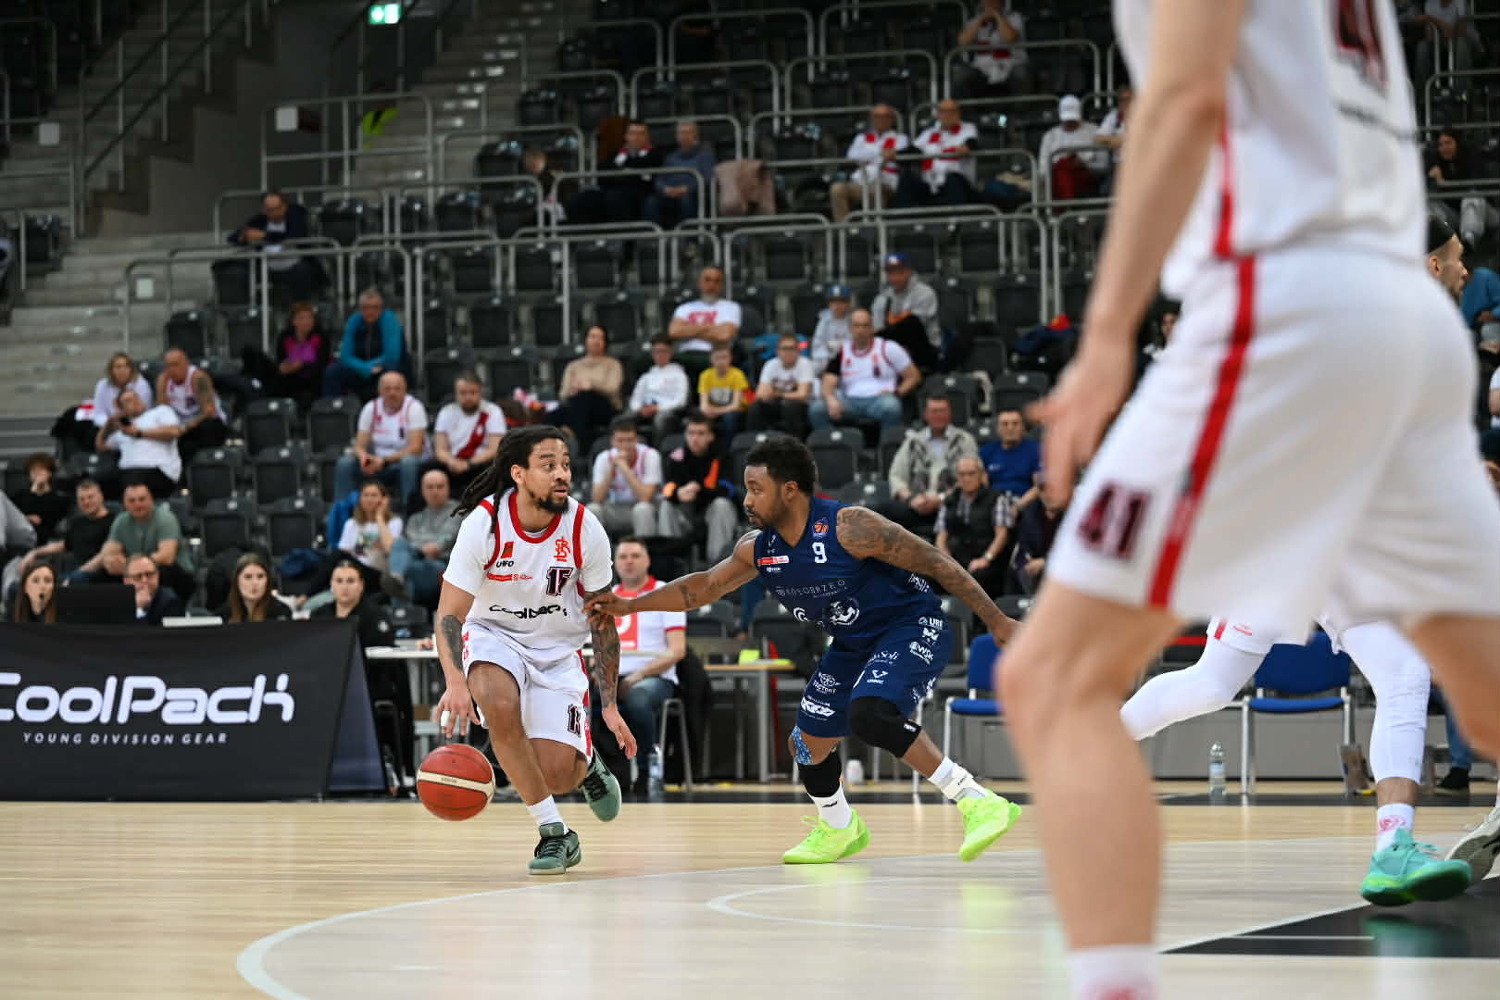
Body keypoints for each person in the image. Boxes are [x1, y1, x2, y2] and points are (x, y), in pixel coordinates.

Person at [995, 6, 1500, 998]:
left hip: (1285, 314)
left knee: (1052, 680)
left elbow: (1185, 98)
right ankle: (1388, 835)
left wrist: (1106, 337)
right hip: (1402, 330)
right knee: (1476, 684)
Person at [587, 436, 1021, 863]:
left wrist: (997, 620)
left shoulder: (851, 526)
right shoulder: (758, 548)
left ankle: (976, 800)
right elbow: (702, 587)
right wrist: (630, 605)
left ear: (790, 490)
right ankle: (839, 827)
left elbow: (937, 562)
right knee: (807, 744)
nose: (747, 501)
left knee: (870, 714)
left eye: (756, 489)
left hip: (909, 625)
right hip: (852, 642)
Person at [433, 425, 635, 875]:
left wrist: (609, 705)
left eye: (565, 465)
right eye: (548, 465)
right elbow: (449, 614)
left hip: (558, 651)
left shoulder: (584, 527)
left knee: (559, 775)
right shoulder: (484, 524)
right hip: (494, 634)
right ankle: (554, 833)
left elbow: (603, 622)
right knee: (497, 702)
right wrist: (455, 682)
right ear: (518, 473)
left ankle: (588, 764)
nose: (562, 474)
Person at [595, 536, 686, 793]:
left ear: (648, 561)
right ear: (614, 563)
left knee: (639, 697)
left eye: (635, 556)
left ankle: (647, 770)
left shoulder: (665, 593)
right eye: (623, 557)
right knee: (579, 696)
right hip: (612, 677)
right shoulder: (607, 597)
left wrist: (639, 674)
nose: (629, 562)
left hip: (654, 678)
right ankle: (595, 772)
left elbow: (677, 650)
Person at [810, 308, 920, 431]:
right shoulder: (843, 352)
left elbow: (913, 376)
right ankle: (836, 441)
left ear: (872, 328)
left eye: (865, 326)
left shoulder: (888, 348)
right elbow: (828, 381)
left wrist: (897, 393)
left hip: (880, 400)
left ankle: (889, 442)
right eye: (856, 326)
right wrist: (831, 399)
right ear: (850, 329)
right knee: (817, 409)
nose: (860, 330)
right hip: (850, 401)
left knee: (891, 407)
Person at [335, 371, 428, 510]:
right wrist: (364, 458)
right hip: (377, 461)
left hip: (400, 461)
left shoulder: (414, 408)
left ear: (405, 390)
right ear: (380, 391)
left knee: (408, 462)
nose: (392, 393)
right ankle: (341, 512)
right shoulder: (371, 408)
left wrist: (384, 461)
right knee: (345, 463)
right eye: (387, 389)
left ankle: (409, 511)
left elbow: (416, 448)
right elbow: (359, 446)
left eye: (397, 389)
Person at [884, 395, 978, 533]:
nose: (938, 415)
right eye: (934, 411)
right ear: (926, 415)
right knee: (881, 511)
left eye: (942, 411)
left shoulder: (964, 440)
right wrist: (911, 499)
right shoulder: (913, 441)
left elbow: (972, 475)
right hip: (916, 504)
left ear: (950, 413)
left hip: (951, 503)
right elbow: (896, 476)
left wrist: (941, 499)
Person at [658, 412, 739, 562]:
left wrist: (699, 489)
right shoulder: (676, 457)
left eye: (700, 433)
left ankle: (718, 564)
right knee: (666, 505)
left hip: (713, 512)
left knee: (722, 505)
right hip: (687, 512)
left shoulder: (722, 456)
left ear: (710, 436)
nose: (695, 438)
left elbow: (728, 489)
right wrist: (678, 493)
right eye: (691, 433)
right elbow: (667, 489)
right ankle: (670, 562)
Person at [96, 482, 195, 601]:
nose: (137, 504)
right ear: (125, 504)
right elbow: (108, 554)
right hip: (135, 570)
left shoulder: (165, 518)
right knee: (103, 574)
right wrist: (112, 562)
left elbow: (166, 557)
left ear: (151, 500)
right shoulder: (121, 521)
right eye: (132, 501)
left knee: (161, 571)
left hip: (175, 572)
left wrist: (131, 565)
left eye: (142, 499)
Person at [229, 190, 326, 302]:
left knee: (304, 272)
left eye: (278, 208)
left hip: (295, 263)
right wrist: (244, 236)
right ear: (264, 210)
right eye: (270, 210)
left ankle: (304, 305)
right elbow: (233, 238)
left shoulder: (295, 216)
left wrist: (265, 236)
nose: (275, 213)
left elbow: (295, 235)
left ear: (285, 206)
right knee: (242, 273)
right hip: (267, 266)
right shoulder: (260, 220)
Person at [935, 455, 1012, 596]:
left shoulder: (996, 499)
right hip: (956, 559)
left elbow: (1002, 535)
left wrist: (986, 558)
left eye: (971, 474)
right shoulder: (949, 501)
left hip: (985, 559)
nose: (966, 478)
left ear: (982, 475)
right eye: (962, 474)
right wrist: (946, 559)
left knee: (978, 577)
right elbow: (941, 535)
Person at [390, 468, 459, 608]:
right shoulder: (415, 518)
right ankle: (396, 579)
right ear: (422, 491)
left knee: (410, 568)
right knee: (400, 544)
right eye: (430, 487)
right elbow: (410, 540)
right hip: (418, 561)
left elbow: (445, 539)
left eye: (439, 486)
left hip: (444, 565)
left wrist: (424, 545)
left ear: (448, 488)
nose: (435, 491)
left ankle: (401, 610)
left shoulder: (459, 511)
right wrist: (426, 546)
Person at [323, 289, 408, 401]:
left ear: (381, 308)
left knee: (391, 368)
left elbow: (392, 355)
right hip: (361, 368)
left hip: (382, 368)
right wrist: (365, 368)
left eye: (375, 307)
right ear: (360, 309)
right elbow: (345, 356)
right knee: (333, 371)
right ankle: (335, 407)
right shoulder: (354, 321)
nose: (370, 311)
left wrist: (372, 366)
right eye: (366, 308)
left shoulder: (389, 320)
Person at [95, 388, 182, 498]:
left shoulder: (160, 412)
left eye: (136, 397)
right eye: (128, 401)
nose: (135, 401)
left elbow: (174, 432)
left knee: (132, 481)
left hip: (158, 470)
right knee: (97, 482)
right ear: (122, 409)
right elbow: (100, 445)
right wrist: (109, 424)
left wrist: (139, 433)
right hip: (127, 472)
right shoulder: (123, 431)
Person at [22, 479, 113, 583]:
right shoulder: (78, 522)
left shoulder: (113, 522)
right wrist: (34, 552)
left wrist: (77, 574)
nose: (86, 502)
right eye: (82, 499)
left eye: (90, 497)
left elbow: (106, 554)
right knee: (20, 586)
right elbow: (64, 545)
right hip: (74, 574)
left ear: (101, 496)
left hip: (96, 577)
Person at [432, 370, 505, 497]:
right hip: (452, 463)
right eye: (463, 393)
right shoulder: (446, 412)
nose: (468, 397)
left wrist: (469, 464)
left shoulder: (493, 412)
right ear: (456, 394)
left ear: (481, 393)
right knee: (429, 471)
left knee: (493, 468)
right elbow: (440, 449)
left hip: (479, 463)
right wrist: (451, 461)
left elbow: (495, 449)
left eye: (472, 392)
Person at [830, 105, 909, 223]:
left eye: (884, 117)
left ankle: (875, 228)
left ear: (892, 119)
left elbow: (894, 154)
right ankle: (843, 228)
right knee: (837, 189)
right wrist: (880, 152)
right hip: (861, 181)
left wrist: (868, 154)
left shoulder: (900, 138)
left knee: (876, 191)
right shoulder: (861, 138)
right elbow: (852, 155)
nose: (880, 120)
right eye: (877, 117)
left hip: (886, 181)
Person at [896, 100, 979, 209]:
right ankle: (905, 217)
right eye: (943, 112)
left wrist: (966, 148)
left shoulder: (968, 129)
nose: (947, 115)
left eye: (951, 112)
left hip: (957, 183)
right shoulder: (929, 133)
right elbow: (914, 150)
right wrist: (894, 153)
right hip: (930, 184)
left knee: (953, 179)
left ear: (958, 113)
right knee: (907, 181)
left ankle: (956, 217)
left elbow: (971, 144)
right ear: (938, 114)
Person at [589, 416, 662, 539]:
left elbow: (646, 497)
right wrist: (611, 469)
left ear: (637, 440)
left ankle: (644, 549)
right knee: (593, 509)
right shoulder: (604, 458)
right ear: (613, 441)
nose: (625, 445)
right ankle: (598, 551)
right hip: (616, 508)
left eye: (629, 440)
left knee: (642, 509)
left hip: (644, 508)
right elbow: (596, 498)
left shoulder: (650, 455)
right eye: (620, 441)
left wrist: (625, 468)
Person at [1426, 127, 1499, 250]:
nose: (1444, 148)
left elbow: (1474, 186)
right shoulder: (1435, 161)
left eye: (1448, 143)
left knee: (1472, 196)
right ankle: (1442, 239)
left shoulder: (1471, 157)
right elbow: (1421, 187)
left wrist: (1444, 184)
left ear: (1457, 143)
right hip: (1456, 214)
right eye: (1441, 145)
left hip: (1482, 212)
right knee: (1431, 201)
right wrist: (1430, 178)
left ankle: (1468, 240)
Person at [555, 325, 624, 451]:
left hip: (604, 406)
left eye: (600, 338)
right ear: (586, 340)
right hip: (577, 404)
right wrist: (573, 390)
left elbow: (613, 389)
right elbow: (563, 394)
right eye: (592, 337)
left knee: (585, 397)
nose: (596, 341)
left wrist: (591, 386)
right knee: (553, 415)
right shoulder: (573, 366)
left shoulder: (613, 364)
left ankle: (575, 438)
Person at [155, 347, 227, 466]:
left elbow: (209, 411)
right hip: (181, 427)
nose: (172, 370)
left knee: (196, 436)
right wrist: (162, 387)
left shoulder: (198, 378)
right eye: (168, 366)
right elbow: (162, 410)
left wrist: (186, 427)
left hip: (204, 423)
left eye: (176, 365)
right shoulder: (164, 380)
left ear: (186, 364)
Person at [870, 253, 942, 371]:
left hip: (923, 349)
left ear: (909, 272)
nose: (895, 277)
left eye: (899, 272)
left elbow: (916, 325)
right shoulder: (882, 298)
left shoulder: (925, 293)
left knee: (911, 323)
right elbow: (878, 329)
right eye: (891, 273)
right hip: (891, 348)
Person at [668, 266, 741, 381]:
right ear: (699, 283)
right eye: (707, 280)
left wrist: (688, 330)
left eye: (716, 281)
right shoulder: (685, 308)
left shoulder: (731, 307)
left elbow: (724, 335)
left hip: (714, 355)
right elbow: (674, 332)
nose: (711, 285)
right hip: (686, 354)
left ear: (722, 286)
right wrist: (709, 327)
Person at [645, 121, 714, 229]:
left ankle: (691, 236)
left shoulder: (705, 156)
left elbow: (707, 178)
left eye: (688, 132)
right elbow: (661, 178)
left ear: (696, 135)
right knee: (651, 202)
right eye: (681, 133)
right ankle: (653, 235)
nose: (684, 136)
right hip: (671, 194)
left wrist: (687, 189)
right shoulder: (671, 158)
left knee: (686, 200)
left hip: (694, 194)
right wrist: (665, 189)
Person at [312, 558, 394, 649]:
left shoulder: (375, 617)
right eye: (339, 581)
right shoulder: (319, 615)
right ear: (331, 584)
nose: (344, 587)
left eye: (350, 581)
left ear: (361, 585)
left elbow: (384, 653)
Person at [748, 333, 817, 439]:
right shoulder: (770, 364)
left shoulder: (805, 364)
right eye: (784, 349)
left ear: (798, 351)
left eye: (792, 349)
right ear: (777, 351)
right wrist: (773, 394)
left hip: (801, 405)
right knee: (756, 407)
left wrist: (776, 393)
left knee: (790, 407)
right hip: (778, 403)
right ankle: (755, 440)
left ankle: (795, 442)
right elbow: (760, 394)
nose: (788, 352)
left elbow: (802, 395)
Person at [958, 0, 1027, 99]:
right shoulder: (974, 21)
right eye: (987, 1)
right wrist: (980, 20)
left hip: (1011, 65)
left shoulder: (1014, 17)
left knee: (1021, 73)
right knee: (962, 75)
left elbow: (1010, 37)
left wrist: (997, 16)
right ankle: (969, 109)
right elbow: (963, 41)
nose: (990, 4)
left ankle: (1020, 108)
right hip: (982, 68)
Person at [270, 302, 332, 409]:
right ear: (294, 321)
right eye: (301, 318)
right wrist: (285, 367)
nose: (306, 322)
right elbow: (281, 361)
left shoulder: (321, 337)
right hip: (290, 377)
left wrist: (300, 365)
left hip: (313, 378)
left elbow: (322, 362)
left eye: (309, 318)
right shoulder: (284, 337)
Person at [628, 335, 691, 437]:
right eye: (656, 351)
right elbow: (635, 399)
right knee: (624, 420)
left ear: (671, 352)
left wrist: (658, 408)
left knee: (660, 420)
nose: (660, 355)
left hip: (668, 412)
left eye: (663, 351)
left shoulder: (679, 375)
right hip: (646, 409)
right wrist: (640, 409)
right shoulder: (646, 376)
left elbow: (681, 401)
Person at [977, 408, 1041, 506]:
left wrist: (1018, 506)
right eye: (1005, 424)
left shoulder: (1036, 450)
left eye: (1015, 424)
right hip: (994, 503)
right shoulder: (986, 451)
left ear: (1023, 427)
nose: (1010, 428)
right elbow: (982, 486)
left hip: (1026, 503)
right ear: (998, 429)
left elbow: (1039, 487)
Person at [338, 479, 403, 576]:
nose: (369, 499)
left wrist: (379, 517)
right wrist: (374, 544)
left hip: (378, 571)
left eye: (374, 495)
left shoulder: (394, 522)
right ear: (360, 499)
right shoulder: (351, 523)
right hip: (354, 569)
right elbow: (344, 552)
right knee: (335, 557)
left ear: (384, 500)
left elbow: (389, 549)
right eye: (365, 495)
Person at [8, 454, 70, 548]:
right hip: (20, 536)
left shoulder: (59, 498)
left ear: (49, 473)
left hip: (44, 537)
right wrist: (26, 518)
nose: (37, 473)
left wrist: (36, 491)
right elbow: (10, 516)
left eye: (41, 470)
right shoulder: (20, 496)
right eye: (33, 470)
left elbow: (50, 517)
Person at [219, 551, 292, 623]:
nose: (255, 583)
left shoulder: (281, 613)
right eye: (248, 577)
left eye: (260, 576)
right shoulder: (224, 614)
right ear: (236, 581)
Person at [696, 344, 750, 439]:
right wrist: (709, 410)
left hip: (734, 411)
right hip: (714, 410)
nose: (721, 361)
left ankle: (729, 445)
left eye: (724, 357)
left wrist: (716, 411)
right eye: (717, 358)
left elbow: (735, 405)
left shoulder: (737, 375)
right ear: (711, 359)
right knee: (699, 415)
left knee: (730, 418)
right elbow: (704, 405)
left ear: (730, 358)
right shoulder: (705, 375)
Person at [89, 353, 152, 432]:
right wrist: (111, 424)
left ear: (131, 369)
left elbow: (145, 411)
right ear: (111, 370)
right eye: (118, 367)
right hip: (110, 425)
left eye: (126, 366)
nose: (122, 370)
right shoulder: (102, 385)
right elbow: (99, 414)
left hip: (137, 425)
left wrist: (126, 425)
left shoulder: (141, 384)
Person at [124, 553, 185, 626]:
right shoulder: (120, 601)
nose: (144, 580)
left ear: (157, 576)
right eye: (138, 576)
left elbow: (149, 633)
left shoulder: (170, 601)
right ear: (127, 581)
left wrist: (140, 609)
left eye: (149, 574)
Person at [809, 285, 853, 366]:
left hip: (849, 360)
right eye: (833, 301)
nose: (837, 305)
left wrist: (838, 345)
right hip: (827, 360)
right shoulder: (823, 320)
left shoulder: (853, 319)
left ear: (848, 303)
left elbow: (856, 345)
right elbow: (817, 347)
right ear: (829, 304)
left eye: (842, 301)